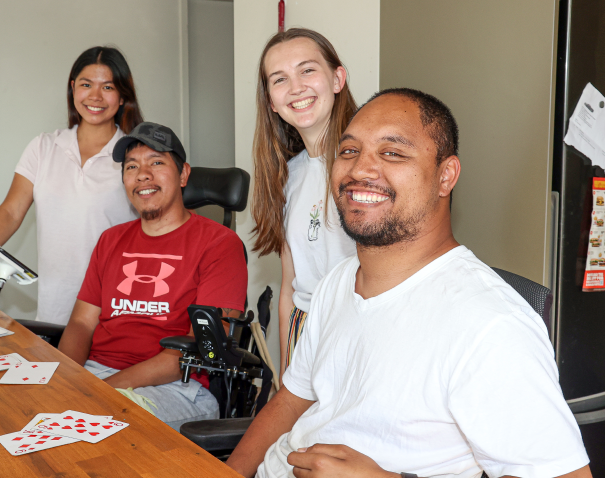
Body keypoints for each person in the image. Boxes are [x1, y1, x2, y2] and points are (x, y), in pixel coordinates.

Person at [226, 89, 591, 478]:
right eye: (348, 151)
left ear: (445, 176)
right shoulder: (338, 281)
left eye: (393, 153)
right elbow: (291, 401)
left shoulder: (489, 324)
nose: (359, 170)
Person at [0, 46, 142, 325]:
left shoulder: (135, 155)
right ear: (73, 87)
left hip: (117, 308)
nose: (95, 96)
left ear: (123, 95)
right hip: (56, 309)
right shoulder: (44, 146)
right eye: (86, 85)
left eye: (108, 87)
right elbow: (11, 212)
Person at [58, 122, 248, 431]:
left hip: (178, 387)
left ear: (184, 174)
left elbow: (199, 346)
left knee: (98, 424)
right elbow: (81, 322)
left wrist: (100, 391)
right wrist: (66, 379)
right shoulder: (110, 240)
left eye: (156, 162)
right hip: (96, 374)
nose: (142, 174)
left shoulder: (220, 244)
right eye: (132, 166)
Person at [250, 28, 357, 374]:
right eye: (279, 79)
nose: (296, 87)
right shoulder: (286, 176)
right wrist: (286, 375)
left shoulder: (369, 168)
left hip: (358, 333)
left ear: (337, 78)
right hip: (304, 332)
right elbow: (290, 291)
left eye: (307, 70)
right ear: (271, 102)